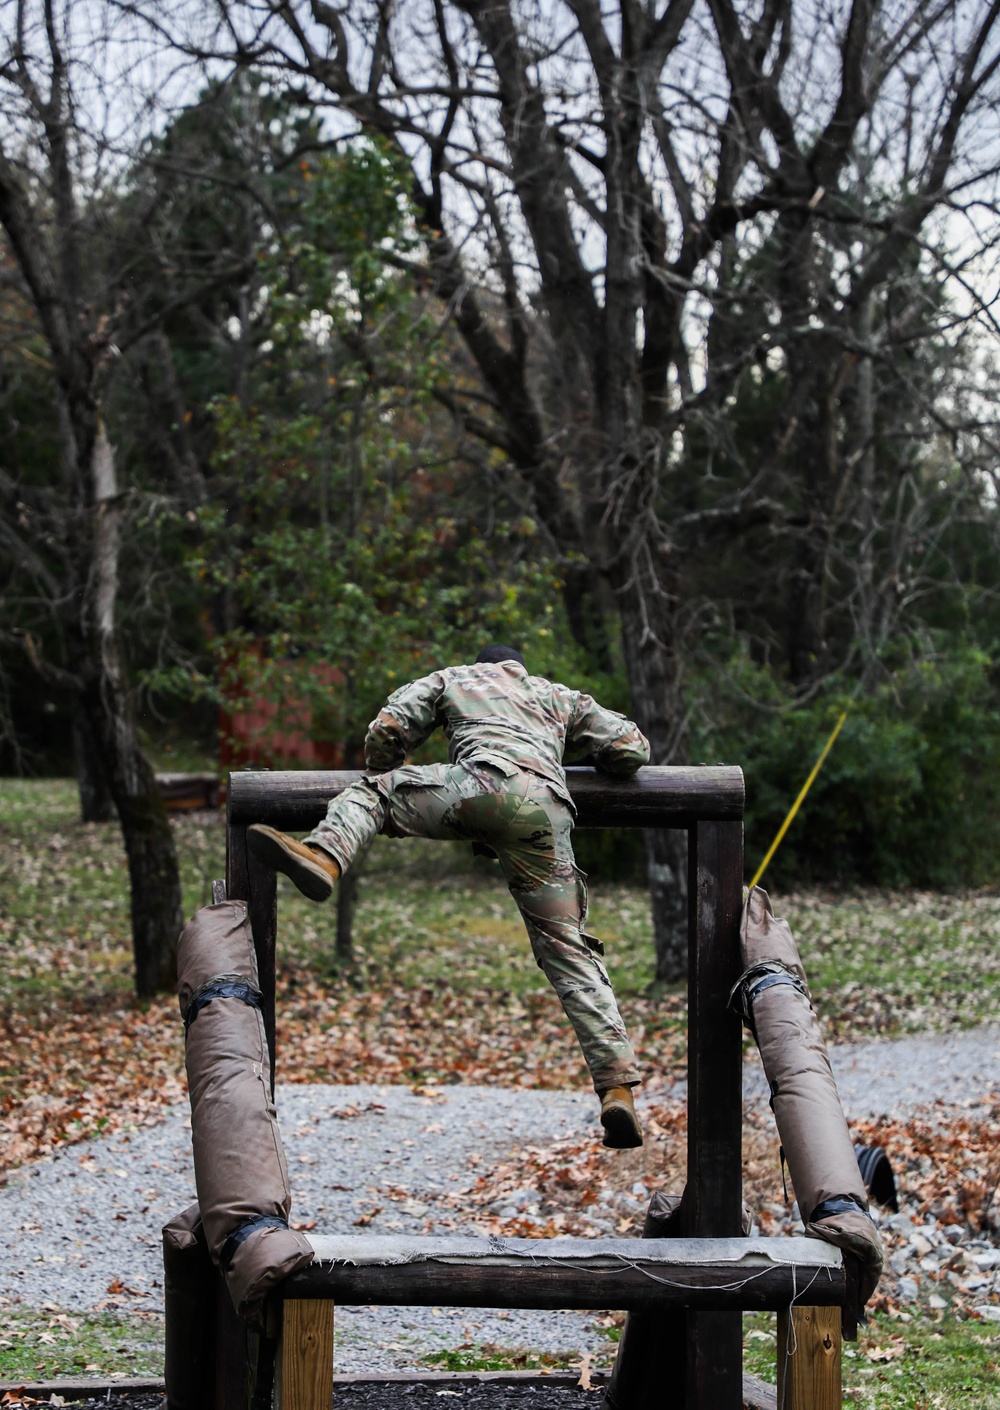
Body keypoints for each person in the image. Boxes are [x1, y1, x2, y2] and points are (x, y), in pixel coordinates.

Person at [248, 646, 650, 1148]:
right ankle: (618, 1089)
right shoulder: (557, 695)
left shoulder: (452, 679)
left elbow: (389, 729)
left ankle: (325, 856)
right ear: (518, 668)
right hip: (546, 811)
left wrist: (383, 765)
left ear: (482, 666)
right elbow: (631, 749)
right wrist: (579, 754)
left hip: (477, 789)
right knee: (569, 950)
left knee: (374, 793)